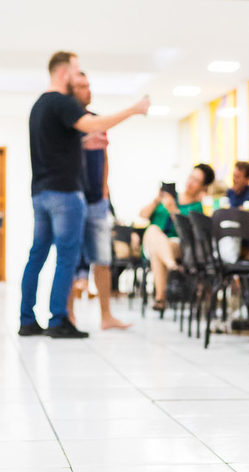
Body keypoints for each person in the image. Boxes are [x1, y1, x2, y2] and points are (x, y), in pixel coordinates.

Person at [19, 51, 149, 339]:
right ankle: (59, 320)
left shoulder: (39, 106)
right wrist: (133, 109)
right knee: (67, 258)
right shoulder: (63, 102)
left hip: (40, 192)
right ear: (63, 73)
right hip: (65, 194)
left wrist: (82, 144)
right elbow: (93, 123)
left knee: (37, 255)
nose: (79, 76)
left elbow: (60, 142)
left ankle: (26, 320)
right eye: (76, 70)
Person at [70, 72, 130, 331]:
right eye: (82, 87)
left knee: (103, 259)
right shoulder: (68, 123)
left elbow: (104, 157)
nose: (88, 90)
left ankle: (106, 316)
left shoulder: (98, 120)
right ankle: (69, 315)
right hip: (73, 196)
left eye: (89, 86)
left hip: (97, 200)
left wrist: (104, 191)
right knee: (69, 259)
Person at [140, 164, 214, 312]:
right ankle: (173, 268)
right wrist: (156, 200)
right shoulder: (169, 197)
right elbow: (143, 215)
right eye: (191, 177)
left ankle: (160, 299)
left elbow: (190, 233)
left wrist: (173, 210)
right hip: (154, 243)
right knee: (153, 230)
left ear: (203, 187)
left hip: (176, 245)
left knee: (158, 250)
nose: (190, 182)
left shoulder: (197, 206)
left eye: (196, 180)